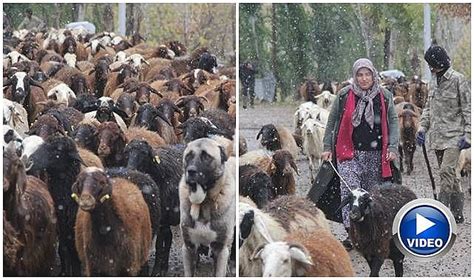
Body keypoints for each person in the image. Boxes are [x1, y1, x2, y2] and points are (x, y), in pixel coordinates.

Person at [321, 58, 399, 249]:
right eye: (360, 75)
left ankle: (370, 232)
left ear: (373, 75)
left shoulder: (384, 95)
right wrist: (327, 147)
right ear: (355, 76)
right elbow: (332, 122)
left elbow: (393, 122)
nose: (364, 79)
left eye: (367, 74)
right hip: (349, 152)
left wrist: (393, 147)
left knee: (371, 197)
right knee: (350, 192)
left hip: (376, 155)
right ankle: (352, 234)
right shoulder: (345, 94)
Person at [416, 45, 470, 224]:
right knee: (451, 175)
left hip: (455, 136)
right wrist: (422, 128)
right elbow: (428, 108)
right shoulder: (433, 82)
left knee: (446, 171)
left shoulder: (458, 80)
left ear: (440, 62)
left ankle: (441, 211)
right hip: (437, 138)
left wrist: (468, 135)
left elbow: (468, 109)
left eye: (432, 64)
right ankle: (457, 212)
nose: (431, 68)